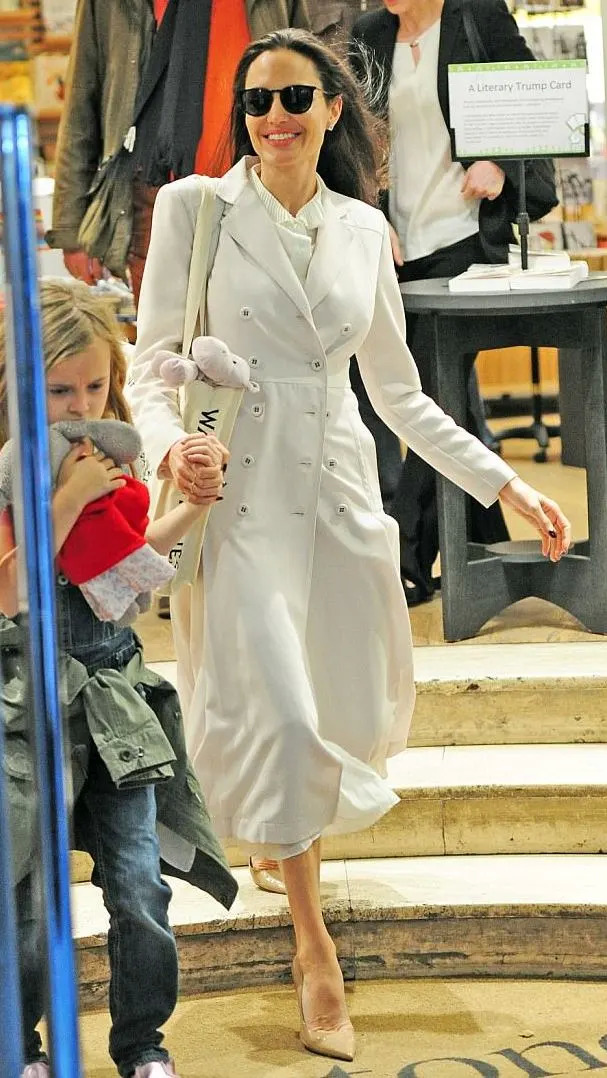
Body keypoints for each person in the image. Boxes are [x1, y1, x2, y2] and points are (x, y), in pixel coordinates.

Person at [129, 30, 570, 1061]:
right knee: (282, 713)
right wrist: (170, 450)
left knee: (333, 711)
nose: (274, 118)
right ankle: (312, 947)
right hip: (235, 497)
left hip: (335, 494)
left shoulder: (364, 228)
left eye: (294, 97)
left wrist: (503, 482)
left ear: (332, 109)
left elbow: (399, 395)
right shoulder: (195, 208)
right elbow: (150, 365)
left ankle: (284, 843)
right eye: (256, 102)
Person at [0, 281, 237, 1078]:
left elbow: (130, 572)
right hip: (29, 702)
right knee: (29, 896)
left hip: (114, 696)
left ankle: (143, 1043)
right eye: (59, 390)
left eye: (94, 387)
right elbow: (10, 588)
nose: (79, 406)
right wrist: (67, 498)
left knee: (140, 886)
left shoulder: (110, 457)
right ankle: (22, 1047)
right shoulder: (14, 468)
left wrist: (193, 507)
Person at [350, 0, 558, 604]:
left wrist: (500, 165)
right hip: (394, 246)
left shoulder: (477, 14)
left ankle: (405, 556)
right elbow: (353, 140)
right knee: (403, 393)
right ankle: (482, 545)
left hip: (464, 240)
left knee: (435, 394)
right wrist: (370, 215)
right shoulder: (370, 34)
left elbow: (533, 102)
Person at [46, 0, 311, 306]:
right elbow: (82, 100)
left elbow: (309, 79)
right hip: (155, 200)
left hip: (262, 191)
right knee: (165, 331)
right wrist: (71, 231)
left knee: (263, 325)